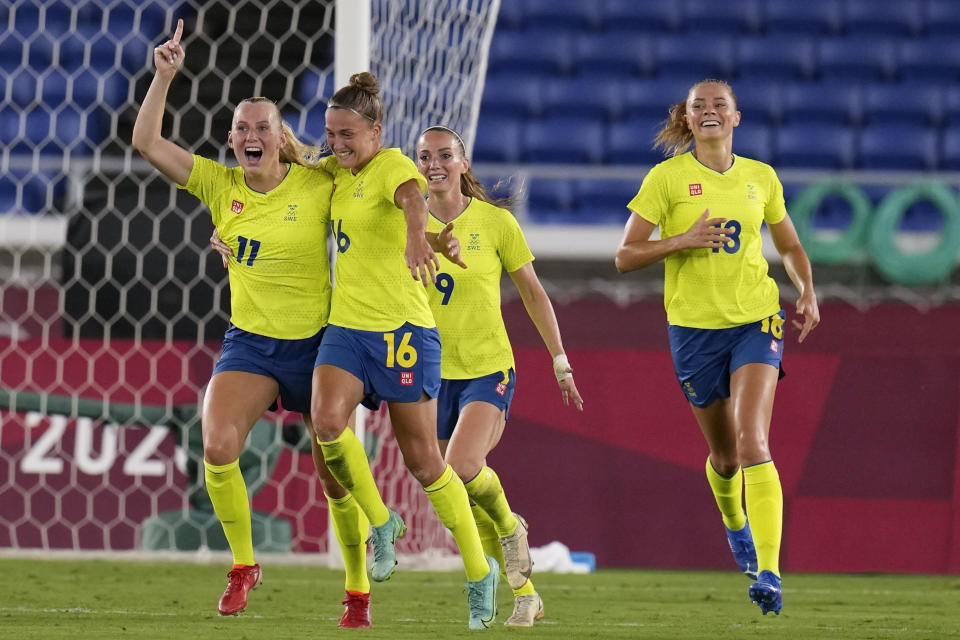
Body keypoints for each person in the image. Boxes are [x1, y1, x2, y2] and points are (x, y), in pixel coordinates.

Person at [134, 20, 387, 628]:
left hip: (318, 345)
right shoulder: (220, 186)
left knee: (334, 477)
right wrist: (163, 76)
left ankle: (357, 593)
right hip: (250, 344)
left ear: (280, 138)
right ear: (231, 138)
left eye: (262, 127)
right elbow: (148, 142)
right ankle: (243, 566)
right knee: (217, 445)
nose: (251, 135)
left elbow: (371, 177)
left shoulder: (320, 182)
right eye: (242, 127)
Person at [614, 79, 820, 616]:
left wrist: (807, 289)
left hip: (756, 319)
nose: (709, 111)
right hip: (693, 331)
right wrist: (680, 240)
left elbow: (790, 243)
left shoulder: (761, 178)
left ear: (736, 118)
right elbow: (625, 255)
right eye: (698, 105)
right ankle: (736, 525)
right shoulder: (667, 179)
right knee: (725, 457)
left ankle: (771, 574)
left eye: (718, 105)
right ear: (686, 118)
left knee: (753, 441)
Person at [308, 72, 500, 630]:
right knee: (325, 421)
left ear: (376, 131)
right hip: (347, 328)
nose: (337, 145)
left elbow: (414, 198)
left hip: (403, 334)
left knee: (422, 461)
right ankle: (383, 523)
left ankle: (476, 572)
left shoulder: (393, 163)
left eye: (348, 135)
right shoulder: (335, 174)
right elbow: (295, 163)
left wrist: (424, 236)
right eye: (330, 135)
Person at [413, 125, 583, 626]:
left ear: (464, 164)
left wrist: (559, 360)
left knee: (462, 465)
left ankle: (512, 527)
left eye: (445, 155)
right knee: (459, 490)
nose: (435, 164)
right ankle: (525, 592)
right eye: (424, 156)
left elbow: (532, 291)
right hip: (429, 373)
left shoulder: (494, 223)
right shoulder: (404, 222)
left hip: (488, 369)